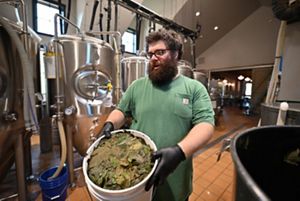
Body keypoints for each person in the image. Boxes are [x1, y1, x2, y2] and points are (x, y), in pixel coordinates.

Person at [99, 28, 215, 201]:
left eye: (160, 52)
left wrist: (179, 152)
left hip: (174, 178)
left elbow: (205, 124)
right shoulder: (137, 86)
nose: (153, 58)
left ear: (176, 54)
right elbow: (121, 111)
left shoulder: (194, 88)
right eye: (150, 54)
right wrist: (110, 123)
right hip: (136, 178)